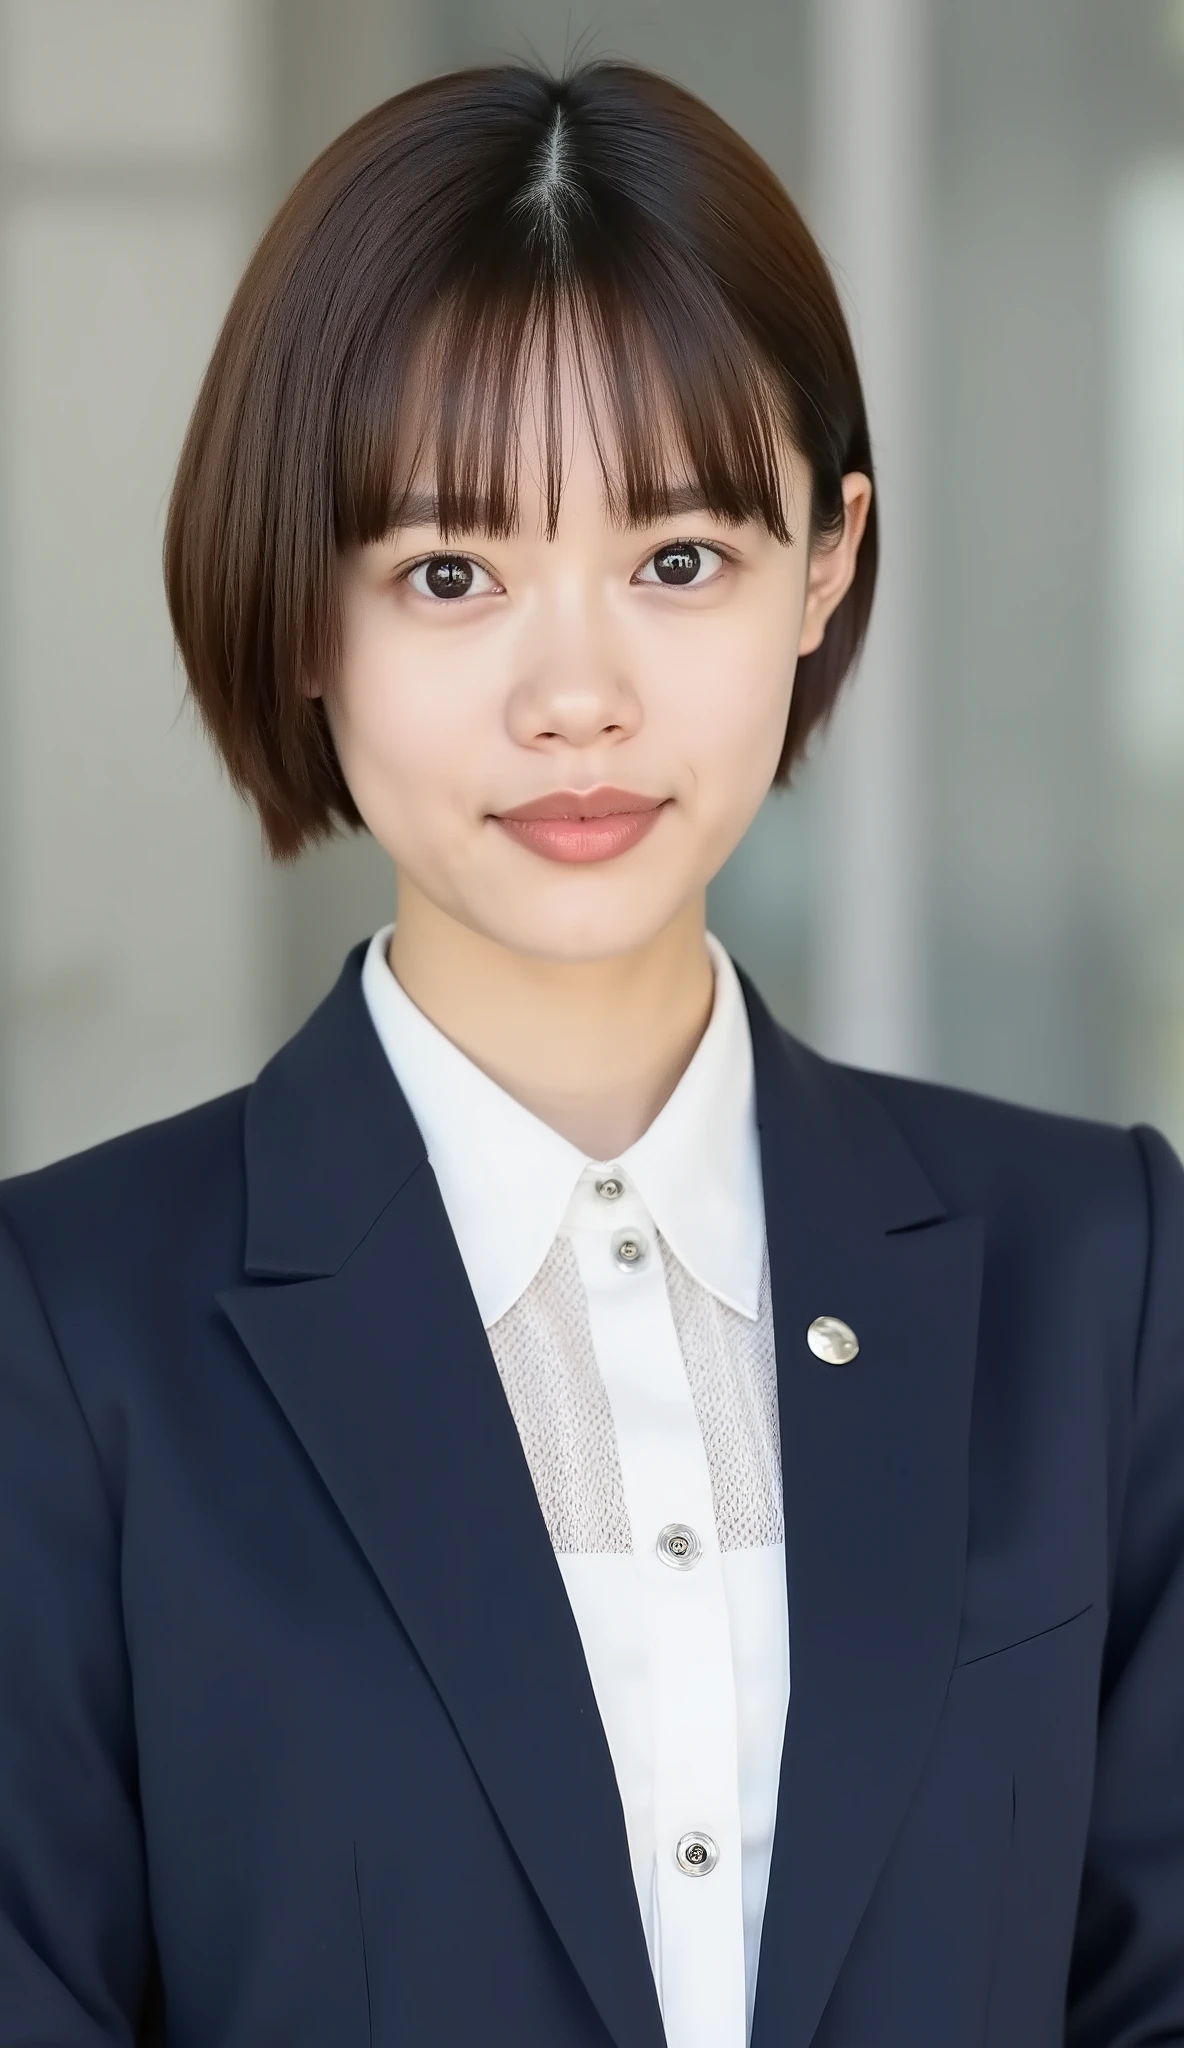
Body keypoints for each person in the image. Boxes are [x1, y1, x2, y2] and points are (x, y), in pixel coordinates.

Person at [0, 55, 1181, 2048]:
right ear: (305, 609)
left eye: (678, 559)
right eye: (450, 574)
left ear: (826, 561)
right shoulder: (63, 1336)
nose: (576, 696)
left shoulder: (1104, 1278)